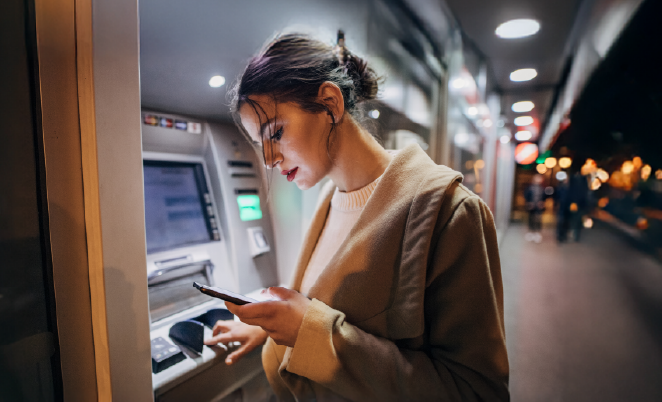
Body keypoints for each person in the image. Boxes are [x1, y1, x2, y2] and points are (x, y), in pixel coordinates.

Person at [204, 33, 509, 401]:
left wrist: (309, 336)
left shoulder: (451, 212)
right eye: (260, 145)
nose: (269, 159)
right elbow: (326, 303)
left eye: (276, 133)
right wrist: (273, 330)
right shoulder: (328, 197)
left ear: (330, 104)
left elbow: (475, 390)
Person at [524, 174, 545, 243]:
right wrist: (529, 202)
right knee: (531, 219)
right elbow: (526, 195)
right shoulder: (530, 187)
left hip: (538, 207)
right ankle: (531, 233)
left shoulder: (542, 188)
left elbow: (544, 197)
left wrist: (542, 203)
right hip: (532, 206)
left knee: (538, 219)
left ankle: (537, 234)